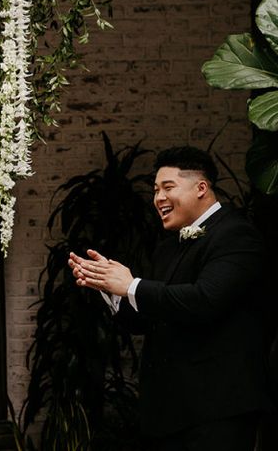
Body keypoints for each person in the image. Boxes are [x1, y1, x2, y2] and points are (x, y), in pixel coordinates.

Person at [69, 146, 272, 451]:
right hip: (168, 413)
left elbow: (205, 300)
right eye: (155, 190)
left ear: (201, 187)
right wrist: (110, 288)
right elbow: (151, 317)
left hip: (217, 410)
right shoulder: (168, 246)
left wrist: (131, 285)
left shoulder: (236, 235)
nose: (158, 198)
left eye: (167, 187)